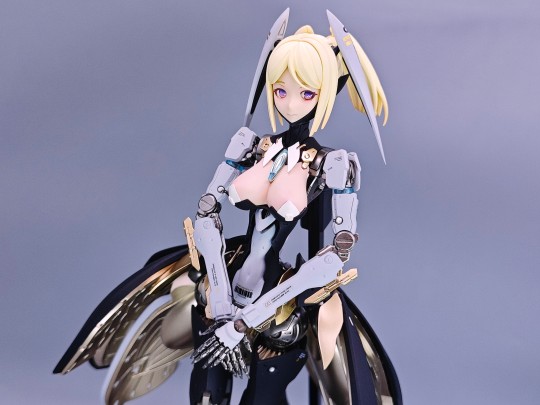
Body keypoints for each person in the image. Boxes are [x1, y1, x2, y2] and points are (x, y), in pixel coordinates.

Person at [54, 10, 401, 405]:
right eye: (280, 90)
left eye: (307, 93)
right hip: (222, 287)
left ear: (326, 92)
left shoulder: (333, 164)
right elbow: (206, 214)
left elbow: (333, 258)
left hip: (278, 306)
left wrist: (243, 323)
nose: (290, 103)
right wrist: (221, 304)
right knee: (207, 396)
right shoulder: (251, 145)